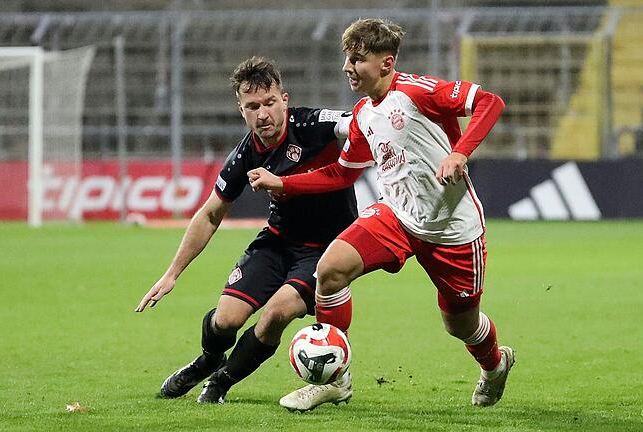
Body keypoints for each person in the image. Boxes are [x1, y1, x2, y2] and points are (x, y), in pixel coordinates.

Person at [249, 18, 513, 412]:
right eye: (346, 59)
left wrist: (460, 153)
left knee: (460, 323)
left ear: (386, 63)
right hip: (396, 216)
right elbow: (342, 173)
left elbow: (491, 102)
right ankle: (336, 380)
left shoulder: (419, 92)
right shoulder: (362, 115)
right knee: (331, 268)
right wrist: (284, 184)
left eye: (357, 59)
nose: (347, 67)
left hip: (452, 228)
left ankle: (495, 364)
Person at [135, 56, 357, 405]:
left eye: (269, 102)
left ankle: (220, 383)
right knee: (225, 320)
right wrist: (172, 274)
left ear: (285, 99)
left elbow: (356, 122)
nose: (263, 113)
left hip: (326, 250)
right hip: (278, 242)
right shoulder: (245, 155)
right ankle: (208, 361)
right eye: (252, 106)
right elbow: (210, 215)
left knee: (276, 314)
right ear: (242, 111)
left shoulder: (314, 124)